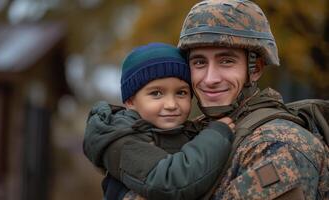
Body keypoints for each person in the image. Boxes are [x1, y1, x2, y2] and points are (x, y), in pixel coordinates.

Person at [98, 0, 329, 199]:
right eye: (199, 62)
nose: (210, 79)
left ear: (255, 68)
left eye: (226, 61)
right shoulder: (199, 132)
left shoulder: (277, 144)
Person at [83, 42, 235, 200]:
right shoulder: (123, 141)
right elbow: (171, 181)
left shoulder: (183, 131)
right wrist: (216, 135)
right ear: (130, 101)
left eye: (181, 93)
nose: (171, 104)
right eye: (156, 93)